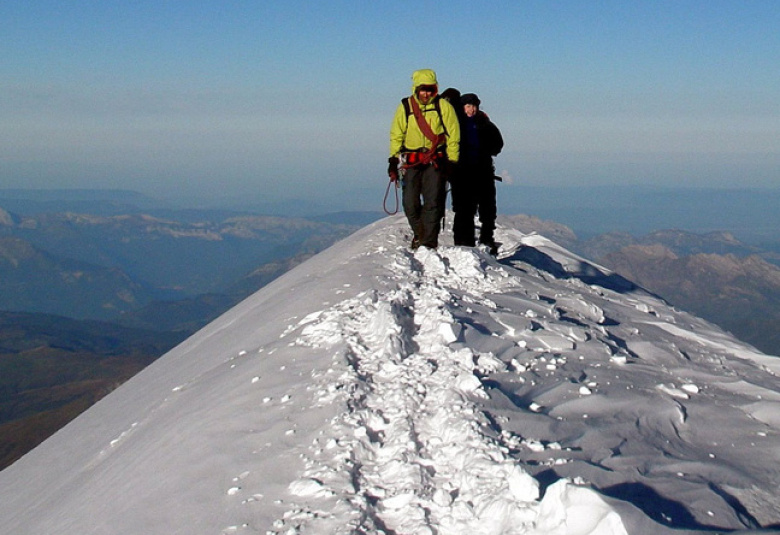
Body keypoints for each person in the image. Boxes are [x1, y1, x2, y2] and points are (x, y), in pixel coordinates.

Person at [388, 69, 460, 250]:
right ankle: (420, 234)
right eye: (423, 89)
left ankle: (428, 242)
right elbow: (397, 133)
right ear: (416, 89)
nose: (426, 93)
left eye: (429, 90)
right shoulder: (405, 107)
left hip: (436, 160)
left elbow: (453, 134)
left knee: (433, 202)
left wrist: (452, 161)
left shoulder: (443, 106)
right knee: (410, 203)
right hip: (412, 160)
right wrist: (393, 159)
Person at [450, 92, 504, 254]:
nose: (472, 109)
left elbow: (498, 144)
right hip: (463, 173)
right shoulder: (456, 124)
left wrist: (485, 150)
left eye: (474, 106)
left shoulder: (484, 123)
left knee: (487, 208)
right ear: (462, 107)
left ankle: (486, 238)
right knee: (464, 209)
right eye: (468, 106)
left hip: (482, 172)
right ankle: (463, 242)